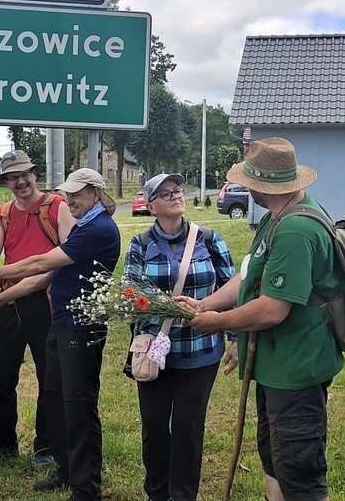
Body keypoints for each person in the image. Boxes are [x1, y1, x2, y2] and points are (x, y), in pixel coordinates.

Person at [186, 137, 344, 501]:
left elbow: (273, 309)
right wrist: (206, 305)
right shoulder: (277, 217)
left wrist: (220, 324)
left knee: (299, 472)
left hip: (296, 371)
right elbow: (251, 277)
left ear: (261, 185)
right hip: (277, 366)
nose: (244, 187)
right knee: (275, 461)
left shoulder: (296, 230)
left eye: (247, 182)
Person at [0, 168, 120, 501]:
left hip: (83, 327)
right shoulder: (82, 226)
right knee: (55, 400)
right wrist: (0, 298)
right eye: (67, 195)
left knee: (79, 406)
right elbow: (46, 275)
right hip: (62, 323)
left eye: (77, 195)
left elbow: (40, 263)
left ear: (95, 194)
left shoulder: (97, 229)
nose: (69, 201)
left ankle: (87, 487)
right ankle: (66, 471)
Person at [124, 173, 238, 501]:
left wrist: (233, 337)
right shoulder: (140, 244)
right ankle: (157, 493)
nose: (175, 196)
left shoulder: (209, 238)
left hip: (200, 350)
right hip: (152, 353)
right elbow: (129, 291)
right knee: (154, 426)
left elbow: (230, 290)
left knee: (188, 429)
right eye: (165, 194)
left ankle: (184, 495)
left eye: (177, 191)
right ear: (151, 206)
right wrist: (162, 305)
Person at [0, 150, 74, 466]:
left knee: (49, 374)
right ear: (6, 182)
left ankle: (46, 446)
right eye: (13, 177)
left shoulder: (57, 206)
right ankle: (4, 444)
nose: (21, 181)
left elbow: (68, 255)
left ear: (34, 174)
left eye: (25, 174)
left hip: (47, 300)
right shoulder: (3, 213)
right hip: (10, 300)